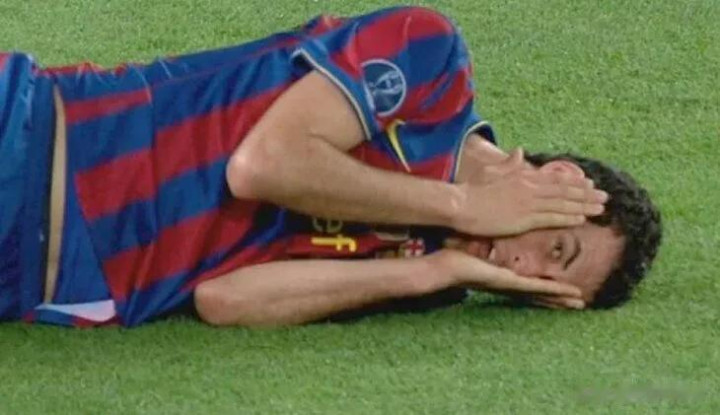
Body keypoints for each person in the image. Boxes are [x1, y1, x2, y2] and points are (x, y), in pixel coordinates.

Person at [0, 6, 661, 328]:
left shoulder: (425, 274)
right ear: (559, 181)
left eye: (542, 286)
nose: (518, 268)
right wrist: (463, 205)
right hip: (36, 142)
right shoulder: (431, 64)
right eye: (555, 248)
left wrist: (429, 272)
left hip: (37, 285)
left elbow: (224, 300)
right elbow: (263, 165)